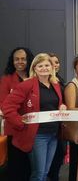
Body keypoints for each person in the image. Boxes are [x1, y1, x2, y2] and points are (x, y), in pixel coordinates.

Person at [2, 53, 66, 181]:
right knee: (39, 173)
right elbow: (7, 106)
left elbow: (54, 104)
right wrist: (20, 123)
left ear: (52, 67)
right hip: (37, 136)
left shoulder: (56, 85)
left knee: (45, 171)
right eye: (40, 65)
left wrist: (62, 105)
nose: (44, 68)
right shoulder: (27, 85)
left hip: (53, 134)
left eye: (47, 65)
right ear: (34, 68)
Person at [0, 47, 34, 180]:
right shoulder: (7, 79)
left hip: (32, 128)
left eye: (23, 59)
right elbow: (3, 103)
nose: (20, 62)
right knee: (16, 165)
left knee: (31, 166)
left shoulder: (34, 78)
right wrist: (18, 121)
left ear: (29, 60)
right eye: (16, 59)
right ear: (12, 61)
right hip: (15, 128)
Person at [47, 52, 66, 181]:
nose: (55, 65)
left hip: (60, 127)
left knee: (60, 155)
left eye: (57, 62)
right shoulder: (42, 82)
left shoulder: (61, 81)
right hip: (46, 128)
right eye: (51, 63)